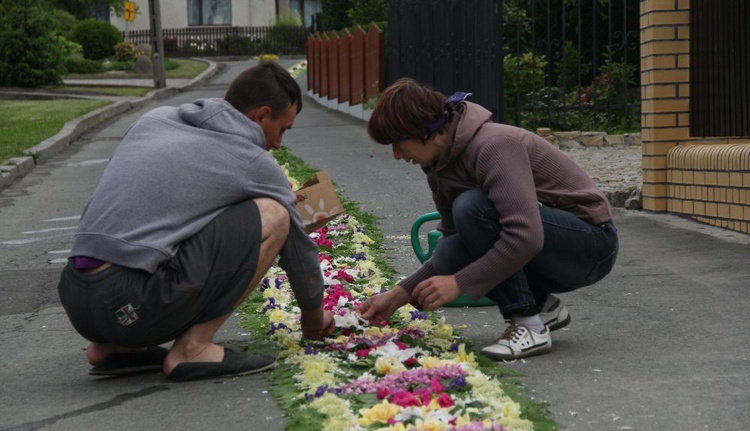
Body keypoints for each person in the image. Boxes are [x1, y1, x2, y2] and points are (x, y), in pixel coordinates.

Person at [58, 61, 335, 382]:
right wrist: (314, 320)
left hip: (78, 302)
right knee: (276, 215)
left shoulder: (154, 120)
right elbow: (298, 251)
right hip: (132, 304)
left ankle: (111, 349)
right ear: (261, 116)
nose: (278, 144)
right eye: (282, 129)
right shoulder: (253, 159)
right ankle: (193, 349)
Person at [357, 78, 618, 361]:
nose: (396, 155)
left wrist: (460, 283)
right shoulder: (439, 167)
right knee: (453, 244)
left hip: (591, 247)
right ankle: (543, 308)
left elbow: (526, 236)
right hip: (551, 250)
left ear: (423, 130)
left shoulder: (494, 145)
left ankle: (528, 325)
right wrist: (398, 296)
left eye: (398, 143)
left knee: (472, 207)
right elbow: (455, 248)